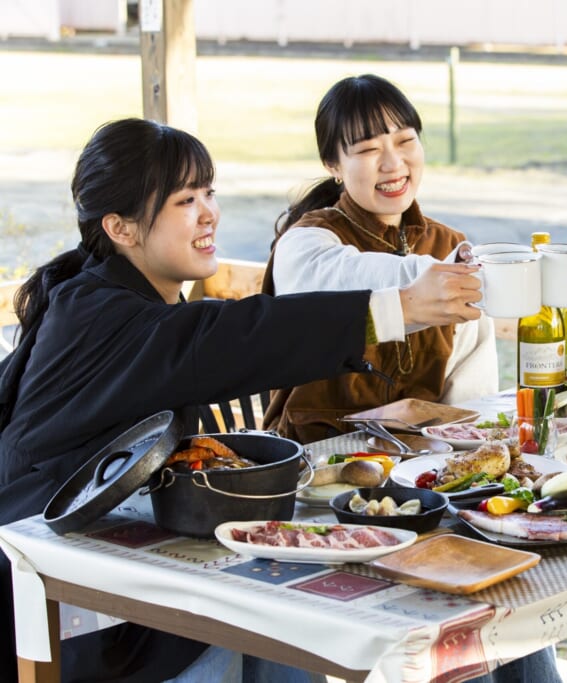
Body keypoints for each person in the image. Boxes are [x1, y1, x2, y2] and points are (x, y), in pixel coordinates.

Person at [0, 117, 485, 682]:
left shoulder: (111, 296)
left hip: (127, 577)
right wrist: (395, 308)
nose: (210, 213)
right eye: (185, 200)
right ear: (121, 228)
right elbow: (230, 336)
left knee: (291, 632)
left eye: (209, 193)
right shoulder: (99, 313)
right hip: (74, 614)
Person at [261, 73, 498, 444]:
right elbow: (353, 279)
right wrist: (442, 275)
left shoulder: (449, 244)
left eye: (405, 141)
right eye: (368, 150)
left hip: (423, 461)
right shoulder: (304, 244)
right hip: (314, 458)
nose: (393, 163)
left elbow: (471, 390)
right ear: (333, 165)